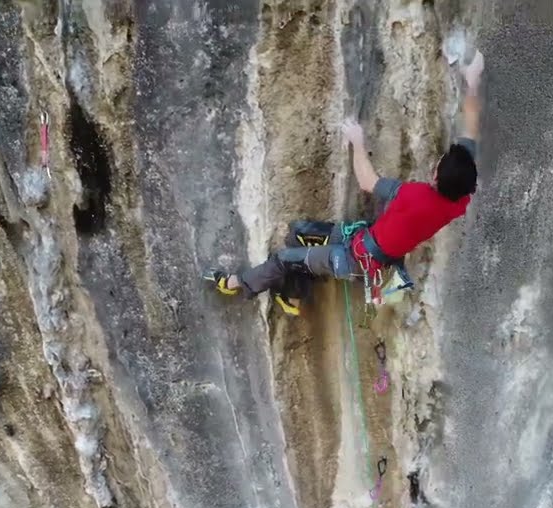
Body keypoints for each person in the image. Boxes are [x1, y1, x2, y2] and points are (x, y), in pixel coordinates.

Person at [205, 50, 485, 316]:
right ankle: (291, 295)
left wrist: (358, 141)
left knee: (283, 257)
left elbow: (367, 182)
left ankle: (234, 283)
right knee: (299, 231)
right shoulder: (459, 198)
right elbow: (470, 125)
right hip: (362, 239)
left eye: (438, 164)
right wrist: (472, 81)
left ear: (436, 177)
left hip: (354, 260)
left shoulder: (415, 197)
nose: (436, 163)